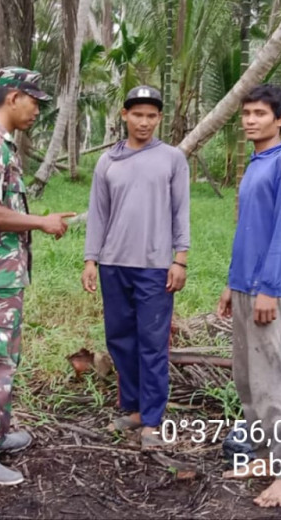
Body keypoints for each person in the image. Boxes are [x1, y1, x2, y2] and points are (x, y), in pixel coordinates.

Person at [0, 67, 75, 485]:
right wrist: (40, 222)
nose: (37, 111)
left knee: (3, 358)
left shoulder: (1, 146)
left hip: (2, 274)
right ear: (13, 97)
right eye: (34, 102)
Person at [81, 85, 190, 450]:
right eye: (137, 114)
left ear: (159, 118)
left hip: (155, 266)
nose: (144, 122)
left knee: (152, 342)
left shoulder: (172, 158)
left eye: (151, 116)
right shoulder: (108, 161)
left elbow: (181, 211)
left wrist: (180, 259)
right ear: (124, 115)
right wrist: (90, 259)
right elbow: (98, 214)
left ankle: (153, 418)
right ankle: (134, 408)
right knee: (120, 339)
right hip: (113, 264)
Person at [216, 84, 281, 508]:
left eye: (259, 114)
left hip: (268, 290)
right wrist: (232, 284)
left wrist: (269, 288)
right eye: (246, 114)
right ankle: (266, 457)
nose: (250, 120)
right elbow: (248, 231)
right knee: (248, 382)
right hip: (245, 286)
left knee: (275, 387)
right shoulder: (257, 162)